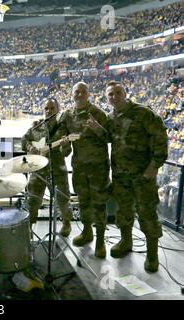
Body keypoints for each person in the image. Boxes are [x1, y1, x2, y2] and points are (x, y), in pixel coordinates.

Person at [105, 81, 168, 272]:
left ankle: (152, 255)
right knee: (123, 211)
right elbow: (107, 138)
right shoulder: (111, 117)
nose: (114, 97)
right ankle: (126, 242)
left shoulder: (143, 113)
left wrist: (154, 165)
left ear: (125, 93)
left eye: (117, 93)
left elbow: (160, 137)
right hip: (120, 176)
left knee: (147, 213)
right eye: (110, 95)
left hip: (143, 176)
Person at [57, 82, 110, 258]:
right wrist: (64, 145)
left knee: (99, 203)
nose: (79, 95)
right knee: (83, 201)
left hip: (98, 168)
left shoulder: (98, 113)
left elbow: (110, 139)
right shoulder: (67, 115)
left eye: (83, 92)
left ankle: (101, 241)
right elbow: (66, 148)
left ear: (88, 94)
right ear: (72, 94)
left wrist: (97, 128)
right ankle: (87, 232)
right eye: (76, 92)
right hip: (79, 167)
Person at [21, 98, 73, 237]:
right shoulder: (37, 126)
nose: (49, 111)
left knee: (63, 200)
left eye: (52, 108)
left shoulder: (63, 127)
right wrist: (30, 147)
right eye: (46, 108)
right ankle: (30, 225)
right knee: (32, 200)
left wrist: (65, 145)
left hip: (57, 170)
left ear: (58, 109)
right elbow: (24, 140)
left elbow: (66, 153)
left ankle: (66, 223)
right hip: (38, 171)